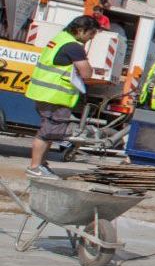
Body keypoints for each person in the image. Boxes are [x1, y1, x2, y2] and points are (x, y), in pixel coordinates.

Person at [23, 15, 99, 178]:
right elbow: (86, 72)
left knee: (49, 132)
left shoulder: (59, 39)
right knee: (46, 132)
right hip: (55, 96)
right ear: (80, 31)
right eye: (91, 34)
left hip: (45, 94)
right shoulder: (74, 46)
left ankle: (41, 165)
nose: (92, 37)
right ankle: (35, 167)